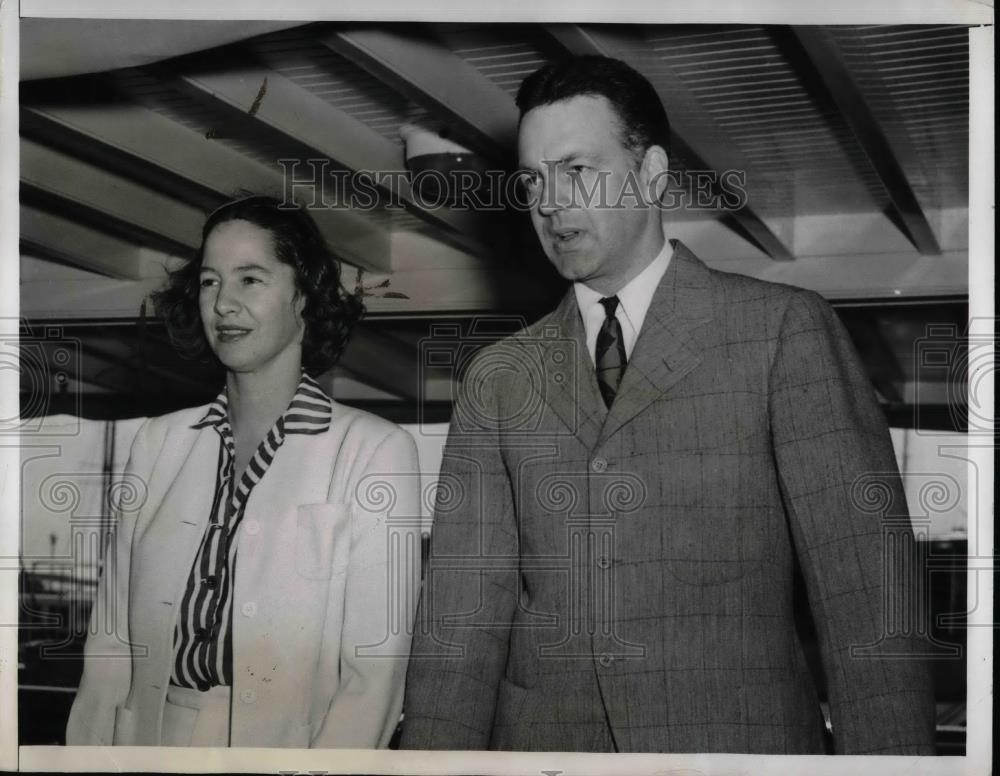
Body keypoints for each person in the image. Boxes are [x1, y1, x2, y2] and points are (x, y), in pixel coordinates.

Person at [400, 56, 936, 754]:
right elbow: (460, 627)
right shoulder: (498, 378)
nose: (550, 202)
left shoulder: (780, 333)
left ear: (651, 173)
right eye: (533, 179)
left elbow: (869, 599)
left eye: (578, 170)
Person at [66, 196, 421, 748]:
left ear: (303, 294)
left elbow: (373, 680)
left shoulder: (373, 451)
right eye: (210, 282)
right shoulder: (157, 443)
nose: (224, 304)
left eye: (250, 279)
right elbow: (110, 649)